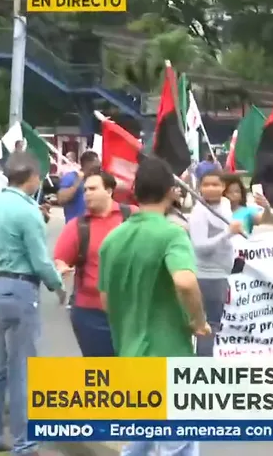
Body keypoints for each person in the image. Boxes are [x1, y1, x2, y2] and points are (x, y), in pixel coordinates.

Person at [98, 155, 209, 456]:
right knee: (176, 442)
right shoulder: (172, 233)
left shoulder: (113, 239)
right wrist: (198, 321)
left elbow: (106, 300)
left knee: (147, 438)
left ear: (134, 191)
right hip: (168, 358)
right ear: (171, 191)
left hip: (130, 356)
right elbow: (185, 282)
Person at [0, 152, 66, 455]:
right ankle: (25, 443)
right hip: (23, 288)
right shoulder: (28, 213)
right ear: (33, 177)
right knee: (24, 370)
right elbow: (40, 261)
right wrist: (58, 284)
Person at [53, 170, 133, 358]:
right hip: (91, 314)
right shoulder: (78, 226)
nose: (87, 193)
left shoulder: (131, 216)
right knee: (101, 375)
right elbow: (59, 259)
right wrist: (61, 267)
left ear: (109, 191)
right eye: (85, 189)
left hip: (131, 311)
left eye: (93, 188)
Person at [189, 169, 241, 357]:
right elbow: (201, 246)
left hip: (222, 273)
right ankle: (203, 368)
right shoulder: (199, 212)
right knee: (208, 326)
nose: (211, 189)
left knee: (216, 324)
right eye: (206, 185)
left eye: (216, 185)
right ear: (200, 187)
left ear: (223, 187)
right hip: (207, 276)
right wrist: (228, 232)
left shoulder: (225, 204)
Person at [57, 150, 102, 223]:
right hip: (75, 227)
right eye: (95, 168)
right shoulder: (71, 177)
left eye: (99, 168)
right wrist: (77, 183)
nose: (97, 171)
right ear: (86, 165)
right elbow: (61, 200)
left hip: (94, 226)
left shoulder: (97, 179)